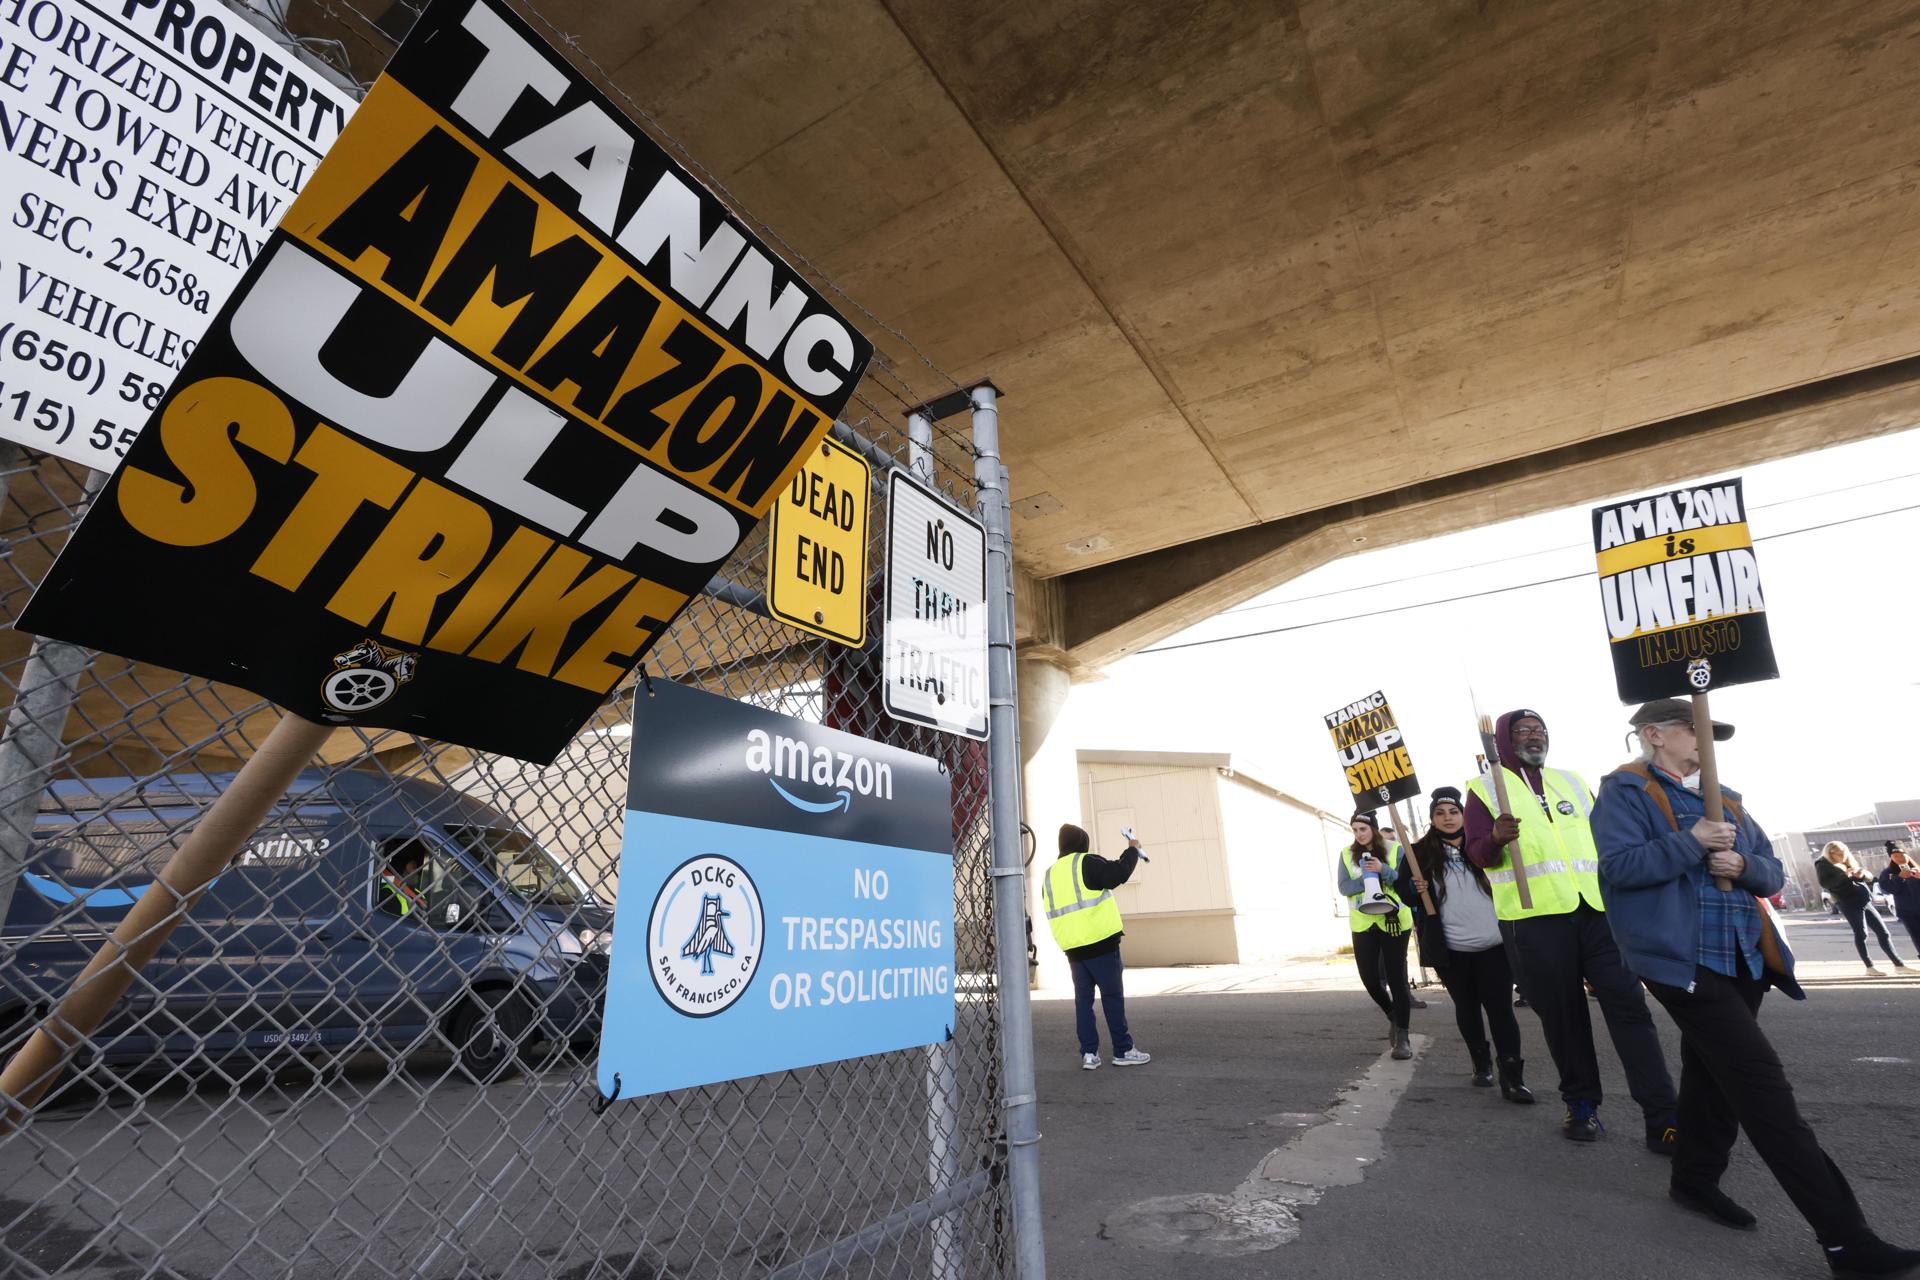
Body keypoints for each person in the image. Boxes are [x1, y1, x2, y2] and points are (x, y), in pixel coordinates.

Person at [1594, 699, 1920, 1277]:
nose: (1706, 743)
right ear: (1655, 736)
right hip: (1682, 961)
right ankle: (1847, 1240)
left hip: (1745, 958)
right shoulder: (1626, 790)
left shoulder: (1731, 800)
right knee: (1763, 1089)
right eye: (1695, 732)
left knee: (1710, 1072)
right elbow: (1620, 869)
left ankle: (1693, 1180)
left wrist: (1743, 864)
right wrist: (1694, 840)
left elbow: (1771, 871)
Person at [1464, 708, 1678, 1149]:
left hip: (1598, 913)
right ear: (1505, 740)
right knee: (1564, 1018)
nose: (1535, 736)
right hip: (1535, 920)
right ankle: (1581, 1104)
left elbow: (1607, 836)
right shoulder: (1485, 790)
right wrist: (1496, 839)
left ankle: (1663, 1117)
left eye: (1540, 730)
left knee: (1629, 1008)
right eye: (1523, 731)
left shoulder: (1573, 781)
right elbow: (1477, 855)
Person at [1398, 786, 1532, 1102]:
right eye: (1440, 813)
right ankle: (1481, 1063)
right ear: (1432, 819)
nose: (1448, 818)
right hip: (1451, 949)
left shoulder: (1484, 846)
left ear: (1463, 815)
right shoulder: (1418, 854)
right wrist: (1414, 888)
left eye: (1454, 812)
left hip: (1495, 945)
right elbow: (1404, 896)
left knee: (1501, 1010)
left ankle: (1513, 1077)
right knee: (1468, 1008)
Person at [1043, 823, 1151, 1070]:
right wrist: (1132, 849)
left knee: (1083, 1001)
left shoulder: (1050, 874)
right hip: (1101, 945)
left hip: (1073, 949)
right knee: (1112, 998)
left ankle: (1089, 1054)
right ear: (1082, 842)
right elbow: (1118, 873)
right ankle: (1123, 1050)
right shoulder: (1086, 862)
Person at [1338, 812, 1413, 1060]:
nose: (1359, 834)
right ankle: (1393, 1014)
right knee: (1370, 979)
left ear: (1374, 829)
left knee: (1396, 979)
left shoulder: (1395, 850)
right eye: (1355, 829)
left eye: (1363, 829)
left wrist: (1383, 870)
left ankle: (1403, 1036)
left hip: (1394, 922)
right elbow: (1344, 887)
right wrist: (1365, 878)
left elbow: (1406, 882)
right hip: (1364, 923)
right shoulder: (1346, 855)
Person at [1818, 842, 1908, 976]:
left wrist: (1861, 874)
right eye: (1839, 854)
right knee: (1861, 934)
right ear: (1830, 853)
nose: (1843, 857)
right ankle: (1869, 967)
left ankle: (1899, 965)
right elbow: (1826, 883)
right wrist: (1847, 875)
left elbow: (1870, 877)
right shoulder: (1822, 864)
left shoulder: (1848, 860)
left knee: (1883, 932)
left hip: (1864, 900)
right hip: (1847, 902)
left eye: (1845, 854)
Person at [1879, 845, 1920, 956]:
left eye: (1902, 855)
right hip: (1907, 912)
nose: (1900, 858)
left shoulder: (1917, 869)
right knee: (1917, 937)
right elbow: (1888, 889)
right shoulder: (1887, 873)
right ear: (1891, 858)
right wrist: (1899, 877)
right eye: (1895, 856)